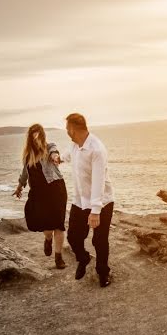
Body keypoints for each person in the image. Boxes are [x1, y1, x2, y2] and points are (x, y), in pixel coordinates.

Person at [62, 113, 115, 287]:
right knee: (73, 237)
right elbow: (68, 156)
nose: (66, 131)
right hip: (80, 201)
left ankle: (103, 273)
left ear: (73, 129)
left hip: (102, 202)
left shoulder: (96, 149)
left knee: (99, 240)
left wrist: (95, 211)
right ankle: (83, 258)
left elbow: (98, 182)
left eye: (67, 127)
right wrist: (57, 158)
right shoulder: (75, 145)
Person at [12, 124, 67, 269]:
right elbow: (25, 173)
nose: (36, 139)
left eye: (39, 136)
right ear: (30, 138)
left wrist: (56, 158)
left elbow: (55, 153)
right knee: (48, 227)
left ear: (43, 136)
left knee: (59, 225)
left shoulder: (50, 147)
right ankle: (48, 239)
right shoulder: (28, 155)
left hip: (56, 189)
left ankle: (58, 258)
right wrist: (19, 187)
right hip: (39, 194)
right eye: (33, 137)